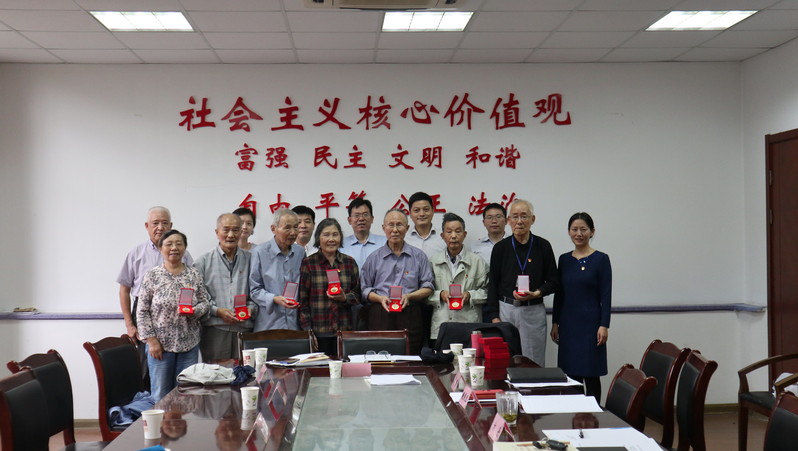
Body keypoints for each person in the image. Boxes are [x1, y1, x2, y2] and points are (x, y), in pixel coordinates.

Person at [117, 206, 193, 388]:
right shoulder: (136, 254)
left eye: (164, 223)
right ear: (147, 226)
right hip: (145, 314)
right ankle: (154, 405)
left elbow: (192, 286)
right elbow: (124, 290)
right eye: (155, 223)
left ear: (171, 225)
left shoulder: (183, 253)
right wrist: (129, 324)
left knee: (181, 377)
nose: (160, 227)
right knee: (149, 371)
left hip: (179, 319)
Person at [137, 229, 210, 402]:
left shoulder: (193, 274)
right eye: (169, 244)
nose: (174, 248)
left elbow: (205, 302)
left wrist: (194, 311)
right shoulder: (152, 275)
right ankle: (161, 422)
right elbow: (142, 310)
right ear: (160, 248)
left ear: (185, 247)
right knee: (161, 396)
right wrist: (151, 341)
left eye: (179, 244)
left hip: (189, 344)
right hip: (160, 346)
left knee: (187, 394)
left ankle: (182, 422)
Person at [487, 199, 558, 366]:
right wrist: (494, 316)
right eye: (515, 216)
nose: (519, 221)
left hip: (533, 310)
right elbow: (493, 284)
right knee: (506, 361)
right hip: (506, 310)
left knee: (533, 362)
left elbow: (554, 281)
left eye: (524, 216)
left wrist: (537, 293)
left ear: (533, 219)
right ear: (508, 220)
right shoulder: (500, 248)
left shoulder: (543, 246)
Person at [551, 212, 612, 402]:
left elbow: (606, 295)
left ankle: (594, 414)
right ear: (569, 232)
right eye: (574, 229)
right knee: (570, 375)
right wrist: (555, 322)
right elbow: (559, 294)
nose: (579, 233)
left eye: (583, 229)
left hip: (591, 325)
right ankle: (573, 413)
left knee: (591, 373)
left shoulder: (601, 259)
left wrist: (604, 325)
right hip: (568, 325)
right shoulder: (564, 259)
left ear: (592, 232)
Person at [360, 209, 434, 353]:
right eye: (391, 225)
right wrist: (380, 298)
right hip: (381, 313)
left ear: (407, 228)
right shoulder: (374, 258)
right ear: (383, 228)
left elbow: (428, 286)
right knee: (381, 357)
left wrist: (409, 296)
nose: (395, 230)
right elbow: (364, 289)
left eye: (399, 225)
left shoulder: (419, 256)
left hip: (410, 313)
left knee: (411, 356)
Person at [194, 213, 258, 364]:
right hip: (215, 330)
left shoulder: (251, 259)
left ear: (241, 232)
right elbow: (197, 298)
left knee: (247, 373)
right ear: (217, 232)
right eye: (226, 230)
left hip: (245, 330)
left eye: (235, 230)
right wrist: (217, 311)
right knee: (215, 375)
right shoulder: (203, 262)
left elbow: (257, 291)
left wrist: (250, 308)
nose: (230, 235)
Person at [298, 218, 362, 356]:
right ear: (318, 238)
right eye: (326, 235)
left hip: (344, 331)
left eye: (335, 234)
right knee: (321, 368)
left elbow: (358, 295)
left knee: (345, 368)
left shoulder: (349, 263)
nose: (331, 239)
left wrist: (344, 298)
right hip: (319, 331)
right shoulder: (309, 264)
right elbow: (303, 302)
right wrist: (308, 331)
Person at [428, 213, 488, 345]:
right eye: (449, 232)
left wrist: (470, 295)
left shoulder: (477, 261)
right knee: (441, 358)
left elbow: (488, 292)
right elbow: (425, 293)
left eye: (458, 231)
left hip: (469, 325)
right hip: (441, 326)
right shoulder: (433, 261)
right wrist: (440, 294)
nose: (454, 236)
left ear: (465, 234)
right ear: (442, 235)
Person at [249, 208, 305, 331]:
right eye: (287, 228)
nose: (293, 232)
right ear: (273, 228)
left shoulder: (300, 252)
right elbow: (254, 290)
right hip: (269, 323)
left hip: (294, 324)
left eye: (296, 227)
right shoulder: (260, 252)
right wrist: (274, 298)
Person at [471, 203, 509, 322]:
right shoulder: (475, 247)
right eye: (489, 217)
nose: (494, 221)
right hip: (483, 299)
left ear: (506, 220)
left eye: (498, 217)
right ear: (484, 222)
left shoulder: (513, 244)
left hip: (507, 299)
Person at [340, 197, 387, 268]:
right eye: (357, 215)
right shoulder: (341, 245)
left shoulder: (384, 243)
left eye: (365, 214)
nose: (361, 219)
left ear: (372, 219)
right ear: (349, 220)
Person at [404, 191, 446, 258]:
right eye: (416, 210)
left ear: (433, 211)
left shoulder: (444, 237)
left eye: (426, 209)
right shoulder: (404, 238)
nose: (422, 214)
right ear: (410, 213)